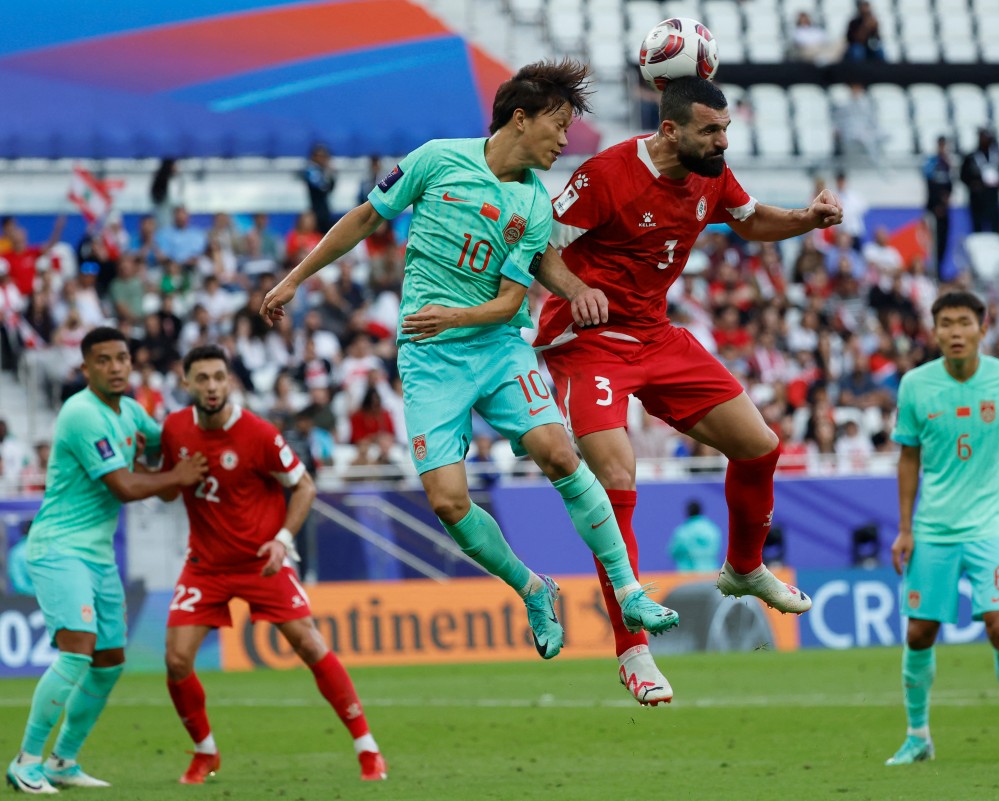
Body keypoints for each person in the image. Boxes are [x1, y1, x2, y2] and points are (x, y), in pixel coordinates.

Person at [259, 60, 678, 663]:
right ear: (520, 118)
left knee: (560, 451)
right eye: (558, 126)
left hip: (499, 345)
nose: (565, 141)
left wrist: (563, 291)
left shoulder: (534, 204)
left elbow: (513, 298)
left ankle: (629, 588)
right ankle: (533, 589)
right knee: (448, 502)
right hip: (430, 360)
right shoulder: (435, 158)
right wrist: (294, 279)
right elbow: (365, 219)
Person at [533, 77, 842, 705]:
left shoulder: (711, 172)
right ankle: (633, 651)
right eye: (712, 130)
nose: (723, 140)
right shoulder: (607, 174)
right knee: (618, 477)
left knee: (759, 445)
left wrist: (806, 220)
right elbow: (539, 248)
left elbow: (750, 221)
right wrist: (574, 291)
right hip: (586, 339)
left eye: (726, 128)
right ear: (670, 130)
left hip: (655, 335)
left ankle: (744, 568)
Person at [159, 345, 386, 784]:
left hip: (263, 560)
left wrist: (283, 540)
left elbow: (303, 486)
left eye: (219, 377)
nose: (211, 386)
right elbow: (170, 490)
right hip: (206, 565)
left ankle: (367, 748)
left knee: (310, 645)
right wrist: (173, 478)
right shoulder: (173, 430)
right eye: (202, 378)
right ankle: (205, 751)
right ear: (185, 382)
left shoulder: (258, 433)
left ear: (230, 381)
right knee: (176, 660)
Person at [6, 327, 207, 794]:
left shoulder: (131, 411)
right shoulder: (81, 414)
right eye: (104, 360)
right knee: (77, 649)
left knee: (110, 659)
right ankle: (26, 760)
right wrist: (176, 474)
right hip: (58, 546)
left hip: (97, 555)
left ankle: (62, 761)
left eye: (122, 359)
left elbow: (168, 442)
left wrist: (210, 423)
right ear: (85, 369)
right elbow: (126, 486)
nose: (116, 367)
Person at [887, 290, 999, 766]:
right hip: (934, 527)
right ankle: (918, 736)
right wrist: (905, 527)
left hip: (991, 524)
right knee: (919, 632)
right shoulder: (915, 385)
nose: (955, 332)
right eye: (946, 323)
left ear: (983, 328)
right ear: (934, 330)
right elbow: (908, 457)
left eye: (964, 322)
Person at [961, 127, 999, 234]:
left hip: (992, 197)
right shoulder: (971, 157)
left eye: (986, 137)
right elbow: (963, 176)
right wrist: (973, 184)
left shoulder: (997, 156)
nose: (984, 139)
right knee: (978, 228)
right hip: (977, 199)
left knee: (995, 228)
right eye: (982, 137)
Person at [923, 136, 954, 278]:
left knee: (943, 241)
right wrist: (936, 205)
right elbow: (929, 184)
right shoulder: (931, 162)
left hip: (945, 209)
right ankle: (932, 271)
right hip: (934, 209)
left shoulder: (947, 163)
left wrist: (945, 202)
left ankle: (939, 270)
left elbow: (951, 185)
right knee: (933, 242)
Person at [668, 500, 721, 572]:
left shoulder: (683, 531)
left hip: (688, 577)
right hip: (711, 574)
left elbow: (673, 552)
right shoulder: (712, 529)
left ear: (687, 512)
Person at [304, 144, 337, 233]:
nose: (323, 159)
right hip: (315, 212)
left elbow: (330, 188)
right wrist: (328, 173)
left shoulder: (321, 171)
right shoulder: (311, 171)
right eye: (321, 156)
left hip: (324, 211)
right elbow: (323, 187)